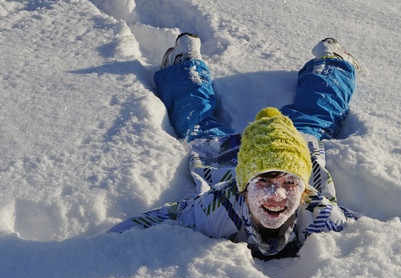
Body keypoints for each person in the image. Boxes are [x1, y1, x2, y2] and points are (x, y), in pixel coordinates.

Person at [109, 33, 362, 260]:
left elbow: (365, 232)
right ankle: (185, 63)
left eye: (290, 183)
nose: (277, 195)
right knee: (197, 121)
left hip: (295, 148)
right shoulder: (216, 208)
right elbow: (165, 217)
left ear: (304, 187)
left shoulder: (321, 215)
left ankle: (332, 63)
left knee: (316, 116)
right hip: (224, 155)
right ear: (242, 187)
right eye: (264, 182)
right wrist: (104, 245)